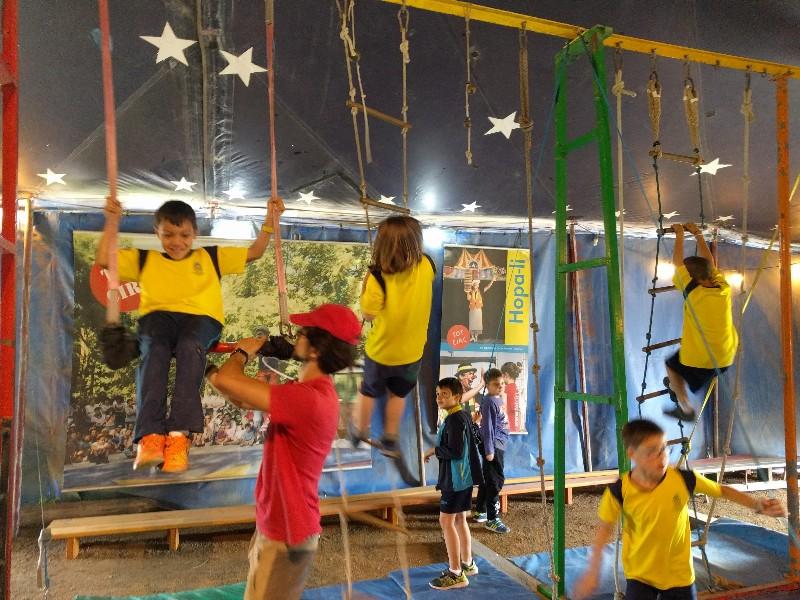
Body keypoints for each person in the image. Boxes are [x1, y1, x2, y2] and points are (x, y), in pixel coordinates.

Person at [96, 196, 283, 473]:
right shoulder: (146, 259)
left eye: (184, 235)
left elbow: (255, 251)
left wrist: (270, 220)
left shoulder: (209, 256)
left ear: (194, 233)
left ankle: (178, 436)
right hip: (158, 320)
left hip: (200, 320)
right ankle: (150, 436)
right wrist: (112, 221)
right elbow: (104, 260)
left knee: (188, 345)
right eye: (168, 235)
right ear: (157, 233)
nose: (176, 242)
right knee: (155, 351)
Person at [205, 303, 360, 600]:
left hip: (287, 531)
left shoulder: (310, 398)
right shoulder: (307, 391)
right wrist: (206, 368)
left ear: (316, 349)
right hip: (278, 525)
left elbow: (230, 381)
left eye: (302, 333)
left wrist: (243, 352)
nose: (294, 337)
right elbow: (242, 399)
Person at [573, 419, 785, 600]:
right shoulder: (619, 491)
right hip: (640, 574)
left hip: (678, 574)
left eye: (663, 448)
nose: (662, 457)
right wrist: (592, 572)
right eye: (651, 452)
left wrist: (757, 504)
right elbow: (604, 529)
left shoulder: (683, 479)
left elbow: (722, 490)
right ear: (632, 454)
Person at [351, 216, 435, 457]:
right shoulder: (427, 265)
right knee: (398, 394)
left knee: (368, 391)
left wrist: (366, 283)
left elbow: (368, 313)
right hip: (412, 353)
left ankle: (360, 429)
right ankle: (390, 437)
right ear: (416, 242)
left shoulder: (378, 277)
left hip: (381, 352)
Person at [663, 223, 738, 421]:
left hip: (702, 358)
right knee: (683, 370)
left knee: (671, 365)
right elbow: (709, 263)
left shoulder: (693, 292)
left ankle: (686, 408)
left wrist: (679, 234)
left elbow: (677, 263)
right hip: (725, 357)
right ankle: (678, 385)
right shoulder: (723, 287)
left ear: (693, 277)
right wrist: (697, 234)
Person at [424, 377, 483, 590]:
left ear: (457, 397)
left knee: (446, 521)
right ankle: (468, 564)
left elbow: (456, 451)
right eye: (437, 394)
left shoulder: (454, 420)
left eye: (445, 394)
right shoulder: (462, 415)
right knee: (459, 519)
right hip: (463, 478)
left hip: (456, 479)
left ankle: (456, 573)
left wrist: (433, 450)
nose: (439, 398)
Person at [474, 368, 511, 533]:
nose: (500, 386)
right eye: (496, 384)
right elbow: (487, 428)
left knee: (487, 478)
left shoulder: (496, 398)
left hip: (497, 444)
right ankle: (492, 519)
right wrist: (489, 451)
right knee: (495, 481)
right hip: (493, 446)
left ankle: (481, 511)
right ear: (487, 385)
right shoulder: (489, 402)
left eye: (502, 383)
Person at [500, 361, 522, 432]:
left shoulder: (507, 389)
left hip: (509, 427)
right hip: (516, 426)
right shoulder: (516, 388)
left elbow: (503, 409)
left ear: (506, 374)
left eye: (502, 375)